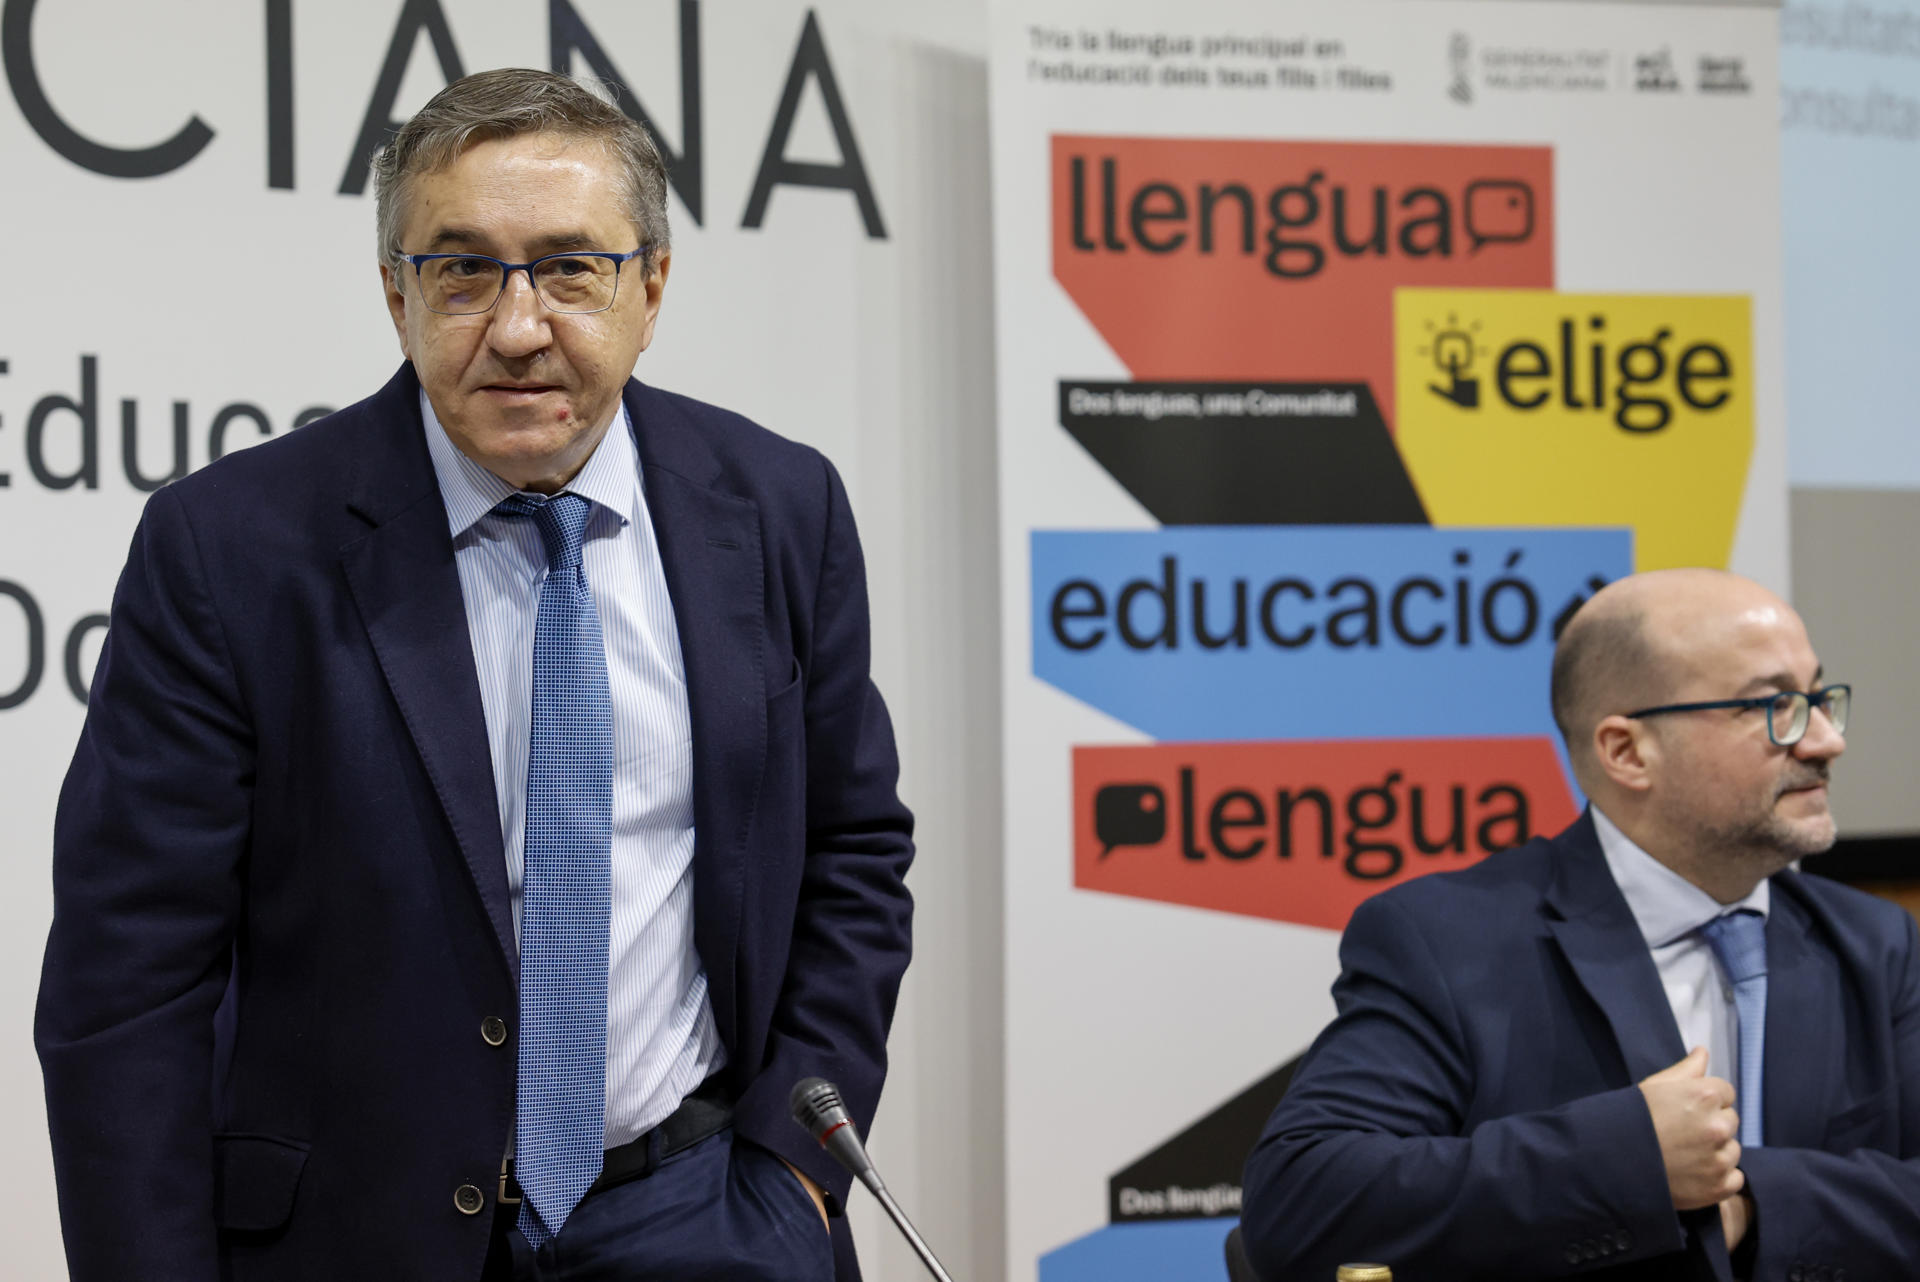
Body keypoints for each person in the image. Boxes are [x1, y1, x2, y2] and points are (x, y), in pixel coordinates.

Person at [35, 68, 914, 1282]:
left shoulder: (777, 506)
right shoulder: (230, 547)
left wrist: (794, 1170)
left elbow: (855, 849)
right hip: (354, 1240)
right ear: (394, 293)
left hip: (709, 1218)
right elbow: (128, 979)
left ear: (651, 287)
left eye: (569, 266)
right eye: (462, 270)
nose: (517, 327)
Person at [1240, 568, 1918, 1280]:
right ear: (1627, 752)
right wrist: (1632, 1161)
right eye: (1773, 705)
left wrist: (1755, 1202)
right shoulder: (1448, 940)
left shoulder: (1876, 945)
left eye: (1817, 696)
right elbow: (1303, 1198)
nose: (1823, 740)